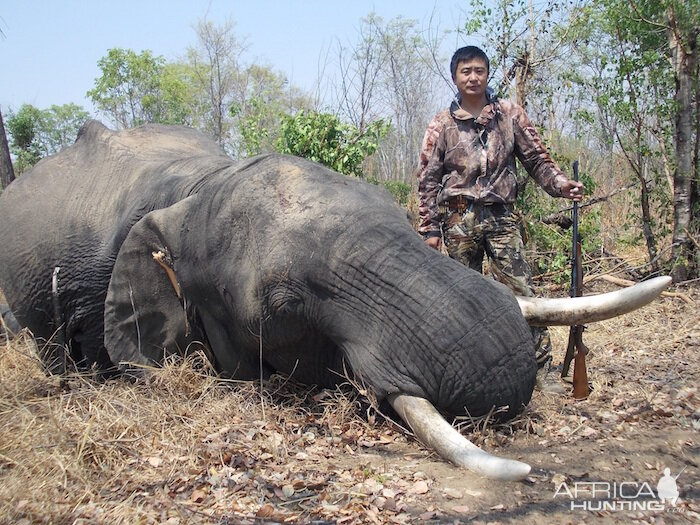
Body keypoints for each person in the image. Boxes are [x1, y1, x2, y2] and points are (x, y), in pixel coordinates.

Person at [416, 45, 583, 393]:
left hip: (503, 217)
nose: (473, 77)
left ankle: (541, 372)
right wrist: (430, 228)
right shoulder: (441, 124)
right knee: (463, 298)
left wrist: (561, 185)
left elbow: (537, 160)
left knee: (522, 292)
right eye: (466, 71)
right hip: (458, 217)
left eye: (479, 70)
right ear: (454, 77)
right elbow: (427, 179)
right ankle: (472, 370)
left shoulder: (510, 115)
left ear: (487, 74)